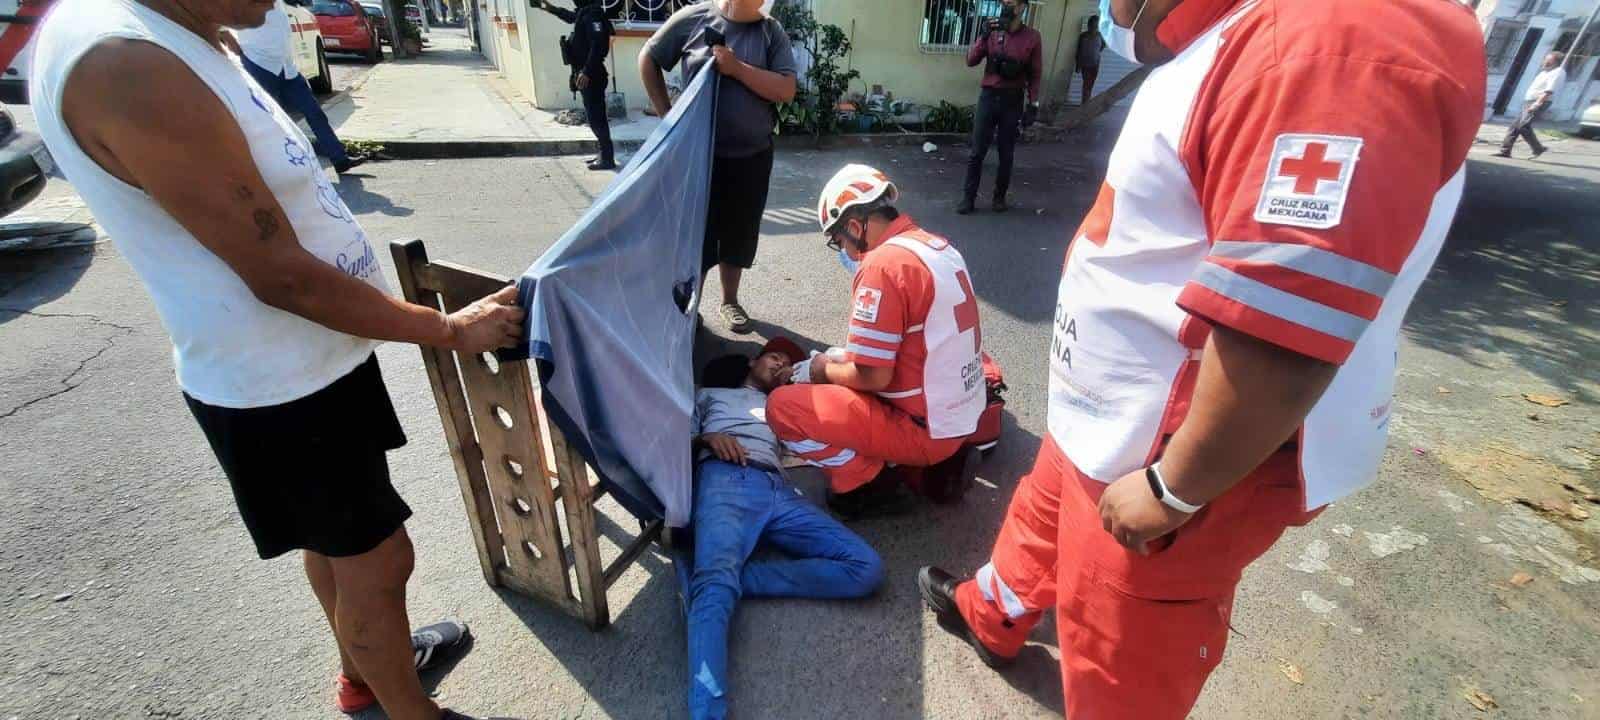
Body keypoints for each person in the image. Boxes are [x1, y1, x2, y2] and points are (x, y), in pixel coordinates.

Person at [917, 0, 1485, 717]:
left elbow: (1284, 318)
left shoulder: (1327, 36)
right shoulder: (1245, 34)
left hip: (1170, 450)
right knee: (1038, 519)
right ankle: (992, 613)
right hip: (1113, 418)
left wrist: (1173, 488)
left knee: (1123, 649)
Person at [28, 0, 529, 717]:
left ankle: (366, 672)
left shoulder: (177, 32)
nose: (282, 3)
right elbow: (281, 275)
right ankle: (405, 709)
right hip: (282, 383)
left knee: (338, 550)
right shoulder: (128, 64)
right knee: (382, 562)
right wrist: (450, 331)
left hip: (305, 362)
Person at [767, 164, 986, 518]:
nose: (846, 253)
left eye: (840, 242)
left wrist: (821, 368)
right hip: (958, 416)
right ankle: (922, 467)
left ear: (854, 226)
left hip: (923, 429)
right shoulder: (938, 247)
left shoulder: (882, 265)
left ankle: (866, 483)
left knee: (782, 405)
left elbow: (874, 377)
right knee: (846, 369)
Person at [685, 338, 884, 720]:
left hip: (779, 491)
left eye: (788, 364)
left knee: (866, 568)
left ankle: (725, 579)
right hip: (726, 479)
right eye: (775, 357)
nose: (781, 365)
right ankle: (707, 713)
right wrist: (706, 438)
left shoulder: (788, 407)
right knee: (714, 589)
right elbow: (668, 440)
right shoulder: (710, 394)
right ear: (751, 361)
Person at [640, 0, 796, 335]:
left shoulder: (770, 31)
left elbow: (785, 89)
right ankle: (687, 307)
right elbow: (649, 58)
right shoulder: (694, 18)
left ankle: (730, 301)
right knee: (698, 235)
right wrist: (668, 116)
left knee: (739, 234)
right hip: (700, 156)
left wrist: (737, 68)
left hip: (752, 157)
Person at [227, 0, 363, 174]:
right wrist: (241, 53)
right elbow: (220, 27)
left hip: (287, 67)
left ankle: (340, 159)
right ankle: (272, 169)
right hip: (259, 64)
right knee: (266, 119)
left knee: (314, 112)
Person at [959, 0, 1043, 215]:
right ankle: (968, 198)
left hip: (1012, 100)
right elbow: (970, 61)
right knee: (977, 151)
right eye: (1003, 2)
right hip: (989, 97)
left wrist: (1033, 104)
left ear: (1022, 7)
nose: (1006, 6)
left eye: (1011, 3)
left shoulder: (1032, 37)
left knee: (1006, 153)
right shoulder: (993, 32)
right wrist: (984, 35)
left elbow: (1035, 73)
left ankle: (999, 198)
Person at [532, 0, 616, 171]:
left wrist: (586, 71)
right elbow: (570, 16)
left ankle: (607, 158)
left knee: (597, 118)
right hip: (585, 74)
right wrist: (549, 8)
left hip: (592, 75)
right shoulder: (585, 12)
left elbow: (598, 45)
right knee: (594, 117)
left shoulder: (593, 14)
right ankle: (603, 153)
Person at [1497, 51, 1566, 160]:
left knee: (1523, 126)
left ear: (1555, 62)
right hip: (1529, 101)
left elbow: (1549, 91)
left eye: (1548, 60)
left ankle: (1538, 148)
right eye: (1545, 59)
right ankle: (1505, 151)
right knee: (1515, 126)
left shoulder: (1557, 72)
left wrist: (1537, 104)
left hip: (1538, 102)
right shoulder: (1545, 72)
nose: (1544, 61)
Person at [1075, 17, 1103, 105]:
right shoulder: (1083, 36)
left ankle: (1085, 104)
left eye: (1096, 25)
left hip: (1095, 65)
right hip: (1085, 65)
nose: (1094, 27)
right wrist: (1078, 65)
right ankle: (1084, 104)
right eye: (1092, 25)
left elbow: (1102, 46)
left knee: (1090, 85)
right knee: (1086, 85)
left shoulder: (1100, 36)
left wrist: (1096, 54)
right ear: (1088, 25)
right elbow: (1078, 51)